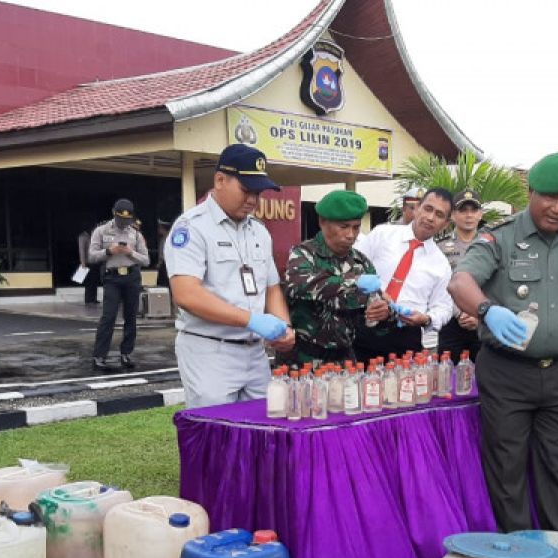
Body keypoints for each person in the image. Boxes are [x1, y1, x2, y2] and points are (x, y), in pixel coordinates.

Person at [449, 152, 558, 534]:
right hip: (507, 373)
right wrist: (488, 309)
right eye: (549, 197)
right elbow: (460, 282)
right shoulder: (499, 238)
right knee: (507, 469)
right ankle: (520, 557)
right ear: (531, 192)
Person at [165, 144, 295, 408]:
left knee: (260, 432)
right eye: (246, 190)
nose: (252, 200)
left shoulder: (259, 231)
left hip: (254, 352)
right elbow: (187, 294)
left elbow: (271, 288)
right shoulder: (192, 228)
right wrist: (251, 320)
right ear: (220, 180)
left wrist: (283, 326)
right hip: (210, 350)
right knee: (216, 434)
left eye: (258, 193)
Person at [281, 190, 392, 366]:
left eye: (356, 227)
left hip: (344, 360)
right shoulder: (303, 254)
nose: (351, 235)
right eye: (344, 227)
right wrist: (355, 283)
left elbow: (374, 317)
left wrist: (384, 313)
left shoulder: (361, 263)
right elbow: (301, 284)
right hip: (302, 359)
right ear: (322, 222)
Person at [352, 188, 454, 363]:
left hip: (405, 336)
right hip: (365, 324)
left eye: (439, 214)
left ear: (445, 224)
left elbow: (444, 307)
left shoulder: (441, 264)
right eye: (428, 209)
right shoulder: (382, 234)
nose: (430, 218)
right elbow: (353, 268)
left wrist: (427, 318)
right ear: (417, 208)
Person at [88, 199, 150, 370]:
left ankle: (126, 354)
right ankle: (99, 356)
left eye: (127, 220)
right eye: (121, 219)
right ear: (114, 214)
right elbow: (91, 256)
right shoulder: (101, 231)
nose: (124, 223)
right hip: (112, 278)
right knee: (108, 317)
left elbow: (146, 260)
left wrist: (131, 253)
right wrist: (109, 251)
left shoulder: (136, 234)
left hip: (131, 277)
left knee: (131, 317)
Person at [436, 188, 484, 361]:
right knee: (447, 376)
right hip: (451, 321)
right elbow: (439, 286)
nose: (469, 215)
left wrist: (478, 314)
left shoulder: (492, 245)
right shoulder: (440, 247)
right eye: (462, 210)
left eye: (473, 210)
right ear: (453, 215)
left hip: (483, 322)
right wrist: (460, 313)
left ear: (480, 214)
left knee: (484, 377)